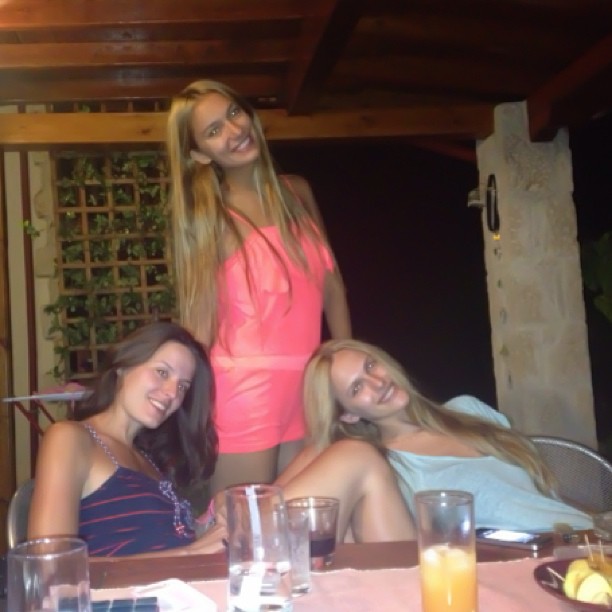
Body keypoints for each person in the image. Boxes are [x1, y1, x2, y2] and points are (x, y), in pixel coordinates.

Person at [166, 79, 351, 494]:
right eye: (214, 130)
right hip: (244, 393)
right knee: (241, 523)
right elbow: (200, 320)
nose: (234, 131)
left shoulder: (298, 191)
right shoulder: (209, 215)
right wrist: (180, 397)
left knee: (303, 521)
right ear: (199, 154)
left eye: (234, 113)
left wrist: (342, 370)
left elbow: (333, 289)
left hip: (309, 387)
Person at [282, 338, 593, 533]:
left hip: (587, 544)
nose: (378, 382)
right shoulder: (384, 466)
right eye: (357, 388)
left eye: (371, 365)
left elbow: (537, 495)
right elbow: (285, 492)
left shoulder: (468, 410)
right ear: (348, 415)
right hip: (522, 570)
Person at [28, 322, 226, 557]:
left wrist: (215, 515)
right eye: (162, 372)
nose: (172, 393)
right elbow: (49, 563)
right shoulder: (71, 438)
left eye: (183, 386)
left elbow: (160, 540)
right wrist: (189, 554)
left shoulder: (149, 460)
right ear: (123, 366)